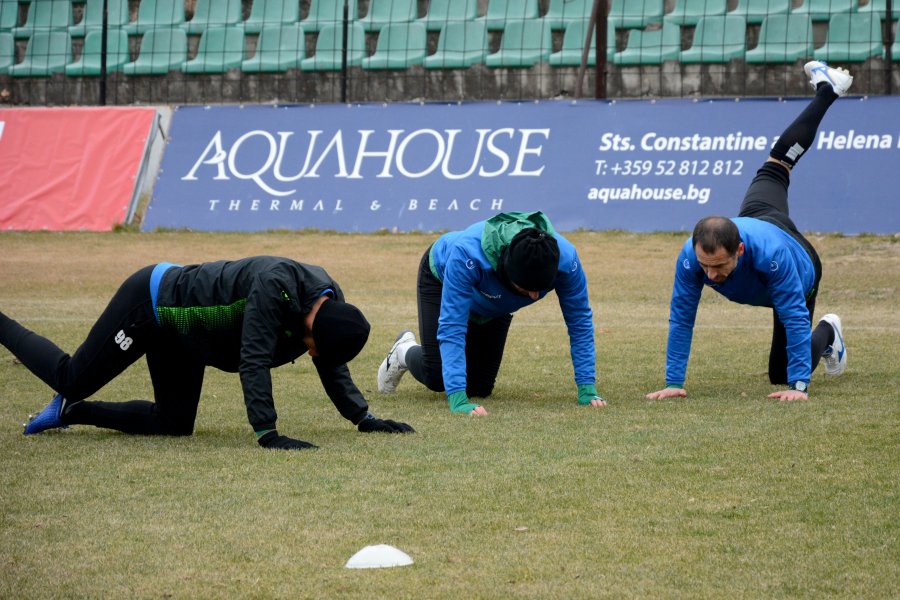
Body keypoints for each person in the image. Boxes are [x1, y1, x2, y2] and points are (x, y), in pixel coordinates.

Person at [3, 256, 414, 448]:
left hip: (186, 336)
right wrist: (267, 433)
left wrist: (363, 418)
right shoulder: (275, 285)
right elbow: (252, 359)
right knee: (72, 377)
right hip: (151, 304)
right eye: (313, 349)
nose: (310, 355)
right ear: (313, 328)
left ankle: (69, 412)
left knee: (173, 423)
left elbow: (330, 361)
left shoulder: (330, 300)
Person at [646, 61, 852, 403]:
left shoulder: (773, 260)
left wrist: (799, 386)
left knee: (782, 373)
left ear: (739, 251)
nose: (710, 275)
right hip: (758, 217)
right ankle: (828, 90)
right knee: (777, 164)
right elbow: (682, 316)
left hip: (798, 258)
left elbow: (794, 317)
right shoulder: (692, 257)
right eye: (705, 267)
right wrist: (673, 381)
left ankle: (830, 331)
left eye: (719, 267)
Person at [375, 210, 605, 415]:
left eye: (540, 289)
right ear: (506, 271)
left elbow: (579, 321)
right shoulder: (467, 254)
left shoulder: (566, 260)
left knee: (479, 389)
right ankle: (403, 351)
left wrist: (587, 388)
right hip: (441, 276)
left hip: (496, 304)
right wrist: (456, 397)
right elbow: (452, 326)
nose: (534, 297)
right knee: (437, 376)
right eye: (526, 290)